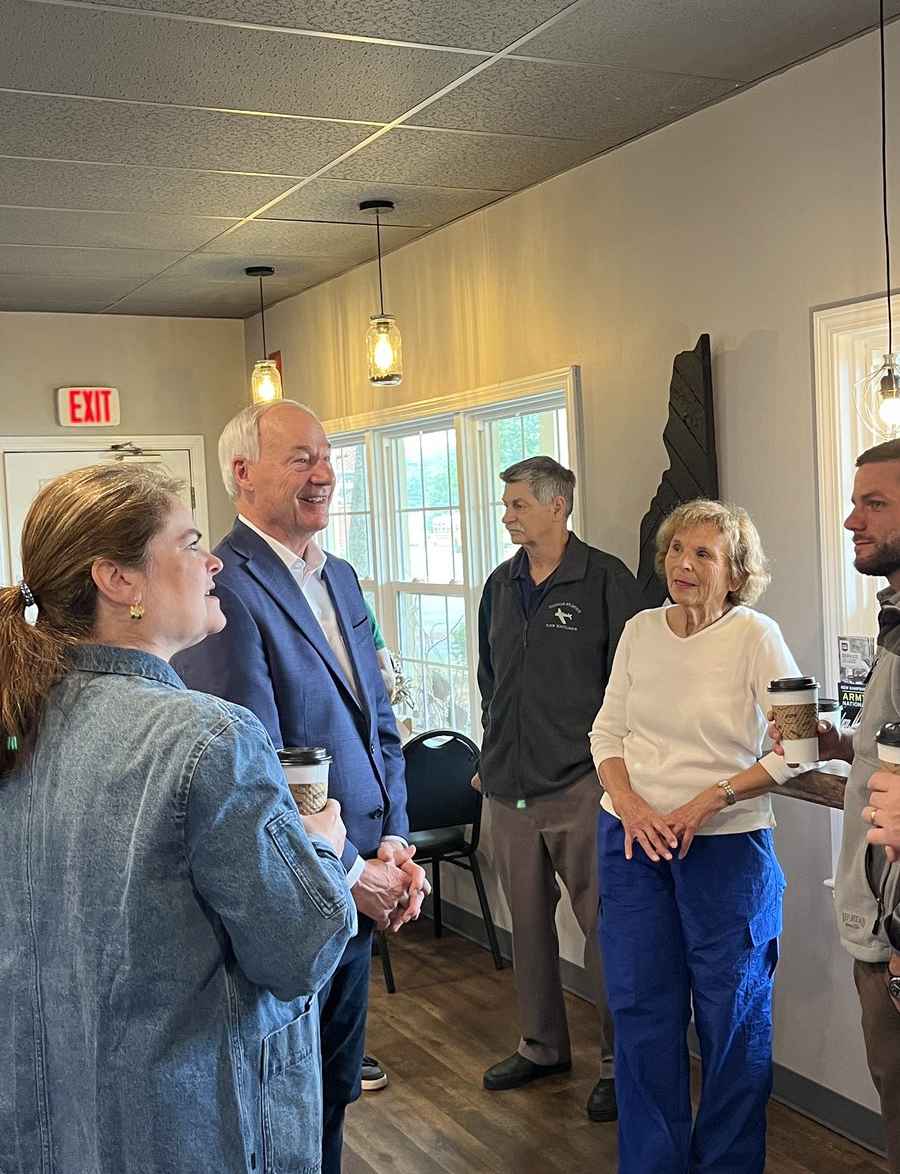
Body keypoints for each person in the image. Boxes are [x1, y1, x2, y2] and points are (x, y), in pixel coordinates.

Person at [0, 463, 356, 1174]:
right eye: (190, 543)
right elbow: (300, 952)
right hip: (187, 1130)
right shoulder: (209, 738)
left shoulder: (20, 721)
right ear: (118, 580)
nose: (212, 560)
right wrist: (320, 847)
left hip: (44, 1123)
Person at [175, 400, 428, 1172]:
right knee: (287, 1109)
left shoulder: (340, 576)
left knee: (335, 1093)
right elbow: (255, 766)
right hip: (299, 896)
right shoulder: (227, 589)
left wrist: (395, 841)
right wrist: (352, 874)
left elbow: (379, 718)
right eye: (300, 459)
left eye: (326, 456)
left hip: (364, 877)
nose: (323, 474)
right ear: (243, 474)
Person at [590, 498, 804, 1174]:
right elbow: (606, 733)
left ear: (736, 574)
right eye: (677, 550)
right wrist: (630, 806)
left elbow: (798, 749)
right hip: (633, 843)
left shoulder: (757, 636)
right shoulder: (639, 630)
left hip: (726, 849)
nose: (683, 564)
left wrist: (712, 799)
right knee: (641, 1012)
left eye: (704, 554)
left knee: (732, 1019)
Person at [476, 456, 643, 1122]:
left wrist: (616, 776)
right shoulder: (500, 584)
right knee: (527, 926)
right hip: (508, 789)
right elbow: (491, 679)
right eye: (507, 505)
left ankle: (619, 1063)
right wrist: (493, 752)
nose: (508, 516)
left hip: (583, 784)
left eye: (518, 504)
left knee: (606, 929)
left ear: (558, 507)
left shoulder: (605, 580)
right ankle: (542, 1046)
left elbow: (631, 687)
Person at [786, 437, 900, 1173]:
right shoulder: (894, 621)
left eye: (875, 503)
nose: (853, 519)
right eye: (856, 501)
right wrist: (840, 744)